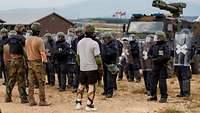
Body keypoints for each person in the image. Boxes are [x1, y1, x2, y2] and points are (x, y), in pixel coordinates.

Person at [75, 24, 103, 112]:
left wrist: (81, 65)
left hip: (82, 68)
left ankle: (78, 103)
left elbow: (77, 57)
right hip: (92, 68)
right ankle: (89, 105)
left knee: (81, 85)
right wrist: (100, 68)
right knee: (91, 86)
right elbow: (98, 58)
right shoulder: (94, 43)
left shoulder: (79, 42)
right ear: (92, 33)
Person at [25, 22, 50, 106]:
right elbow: (42, 53)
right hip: (38, 63)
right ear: (38, 31)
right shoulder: (39, 40)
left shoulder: (27, 39)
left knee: (31, 82)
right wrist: (45, 62)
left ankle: (31, 100)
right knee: (41, 82)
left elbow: (25, 51)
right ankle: (42, 100)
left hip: (30, 62)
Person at [5, 24, 28, 103]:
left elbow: (7, 45)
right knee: (21, 80)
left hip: (12, 60)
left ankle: (7, 97)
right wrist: (27, 60)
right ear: (22, 30)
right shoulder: (22, 38)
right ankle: (23, 98)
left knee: (11, 79)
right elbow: (25, 50)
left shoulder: (11, 38)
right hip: (20, 60)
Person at [147, 31, 170, 103]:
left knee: (162, 82)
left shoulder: (165, 46)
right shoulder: (154, 45)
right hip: (155, 66)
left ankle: (164, 97)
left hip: (162, 66)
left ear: (160, 37)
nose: (155, 38)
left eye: (156, 36)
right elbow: (149, 53)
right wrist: (152, 58)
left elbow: (167, 56)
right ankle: (153, 96)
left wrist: (157, 60)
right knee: (153, 81)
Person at [174, 29, 193, 97]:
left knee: (185, 78)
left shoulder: (189, 44)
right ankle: (182, 92)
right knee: (180, 77)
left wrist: (188, 60)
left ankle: (186, 93)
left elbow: (191, 52)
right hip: (178, 63)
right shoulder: (178, 43)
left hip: (185, 63)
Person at [101, 32, 119, 98]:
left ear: (109, 38)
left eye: (105, 38)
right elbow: (102, 53)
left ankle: (109, 92)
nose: (104, 40)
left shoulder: (114, 44)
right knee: (105, 78)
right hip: (104, 63)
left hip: (111, 63)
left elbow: (112, 53)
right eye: (103, 39)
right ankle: (105, 91)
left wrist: (106, 47)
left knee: (110, 79)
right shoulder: (103, 44)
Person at [71, 27, 85, 93]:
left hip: (85, 59)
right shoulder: (74, 40)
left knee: (84, 73)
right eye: (77, 32)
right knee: (76, 73)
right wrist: (75, 54)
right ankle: (75, 86)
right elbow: (72, 49)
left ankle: (84, 86)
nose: (77, 34)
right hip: (77, 59)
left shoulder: (85, 40)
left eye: (79, 32)